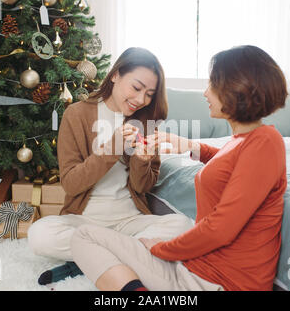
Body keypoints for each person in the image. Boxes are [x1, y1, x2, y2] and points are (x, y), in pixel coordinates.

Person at [68, 45, 288, 291]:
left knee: (87, 237)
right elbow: (231, 163)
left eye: (213, 85)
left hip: (217, 283)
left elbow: (219, 230)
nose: (205, 93)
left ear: (237, 90)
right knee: (85, 234)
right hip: (195, 270)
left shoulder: (266, 142)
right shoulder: (246, 141)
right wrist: (190, 146)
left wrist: (160, 249)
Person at [27, 47, 194, 284]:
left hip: (129, 221)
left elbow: (143, 187)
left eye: (149, 94)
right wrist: (112, 148)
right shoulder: (76, 115)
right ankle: (123, 255)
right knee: (39, 235)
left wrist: (141, 161)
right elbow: (72, 184)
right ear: (115, 75)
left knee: (182, 224)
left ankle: (93, 257)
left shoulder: (145, 122)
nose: (141, 100)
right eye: (136, 88)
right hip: (84, 221)